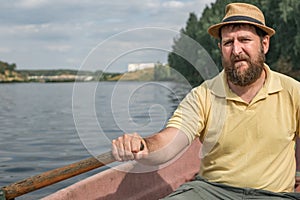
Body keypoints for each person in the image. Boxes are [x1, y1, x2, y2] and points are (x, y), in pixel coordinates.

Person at [111, 3, 300, 199]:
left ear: (265, 44)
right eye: (228, 43)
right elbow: (170, 141)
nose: (236, 50)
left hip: (274, 195)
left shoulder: (293, 91)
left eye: (244, 40)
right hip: (212, 191)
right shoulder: (202, 95)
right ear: (220, 48)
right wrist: (143, 145)